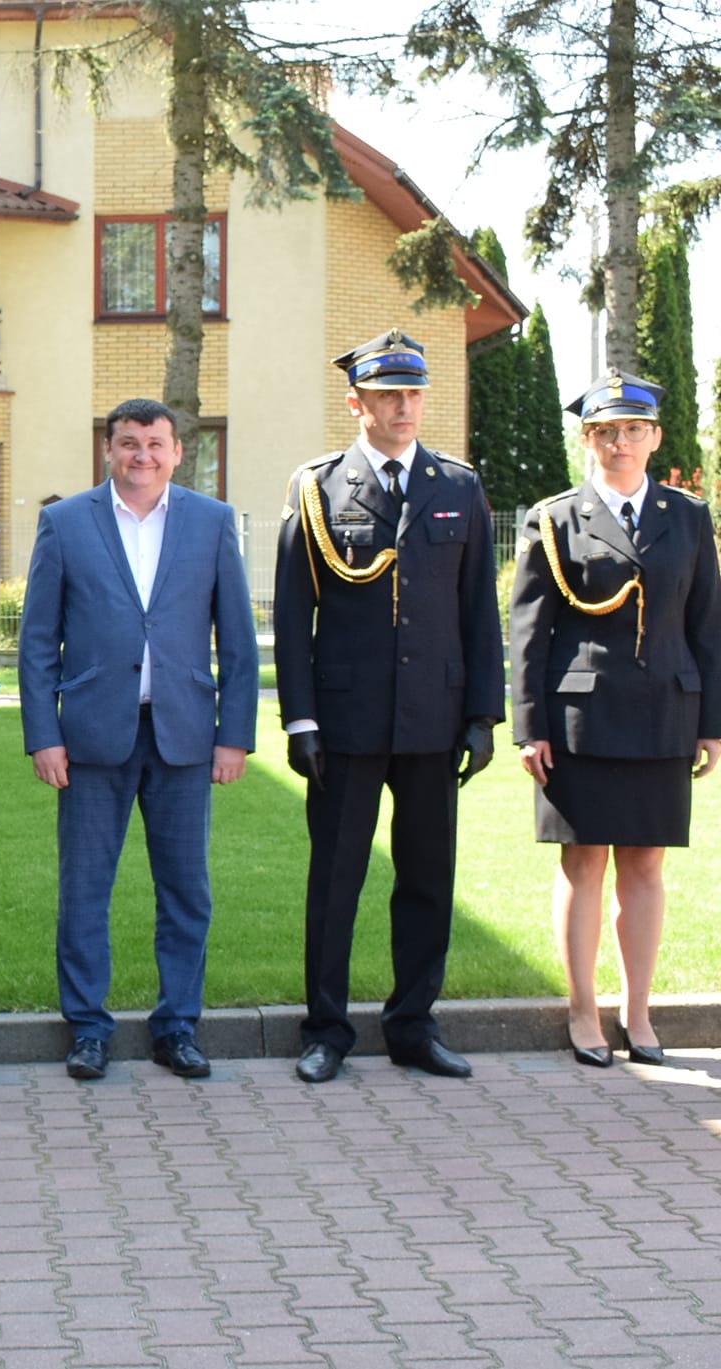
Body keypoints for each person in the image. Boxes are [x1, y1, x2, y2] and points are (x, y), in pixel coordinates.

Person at [273, 329, 504, 1084]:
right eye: (387, 395)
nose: (404, 406)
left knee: (428, 880)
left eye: (412, 393)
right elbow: (293, 612)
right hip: (346, 720)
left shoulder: (457, 486)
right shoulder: (319, 488)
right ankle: (326, 1030)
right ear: (357, 403)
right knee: (336, 881)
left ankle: (413, 1025)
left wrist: (483, 714)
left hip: (434, 717)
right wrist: (300, 720)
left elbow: (479, 611)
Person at [20, 399, 258, 1082]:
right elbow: (37, 641)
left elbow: (237, 640)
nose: (142, 456)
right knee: (84, 890)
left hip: (184, 735)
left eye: (155, 443)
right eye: (129, 443)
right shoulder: (66, 523)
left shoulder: (212, 522)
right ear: (109, 449)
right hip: (92, 738)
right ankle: (88, 1029)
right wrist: (44, 735)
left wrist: (234, 736)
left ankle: (177, 1026)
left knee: (186, 891)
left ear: (178, 452)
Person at [509, 371, 721, 1067]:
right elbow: (530, 632)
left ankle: (638, 1013)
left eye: (633, 429)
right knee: (583, 863)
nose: (620, 442)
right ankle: (583, 1013)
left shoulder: (687, 516)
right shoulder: (555, 518)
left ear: (655, 437)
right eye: (605, 431)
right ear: (587, 439)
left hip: (665, 712)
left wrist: (712, 721)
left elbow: (707, 625)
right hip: (581, 719)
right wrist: (530, 726)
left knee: (646, 863)